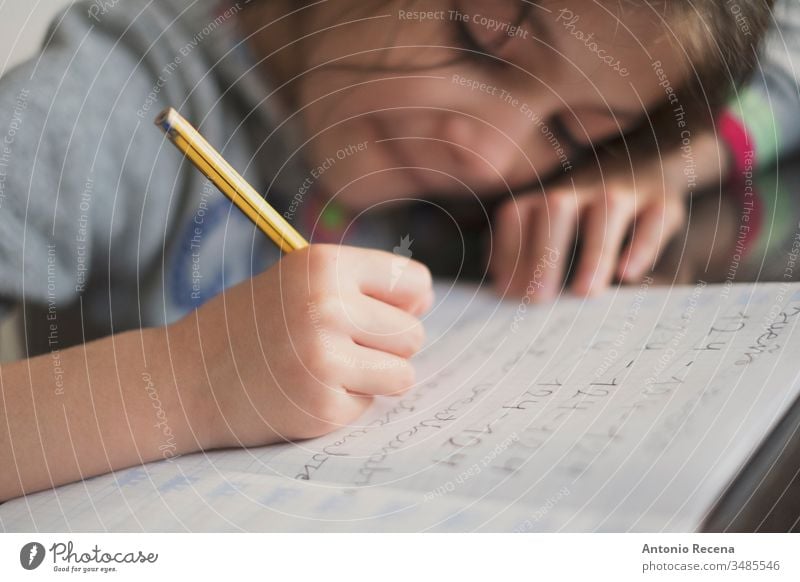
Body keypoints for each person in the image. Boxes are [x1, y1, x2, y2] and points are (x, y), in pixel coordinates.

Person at [0, 0, 775, 501]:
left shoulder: (523, 156)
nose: (490, 153)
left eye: (571, 129)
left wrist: (657, 160)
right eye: (484, 41)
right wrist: (185, 385)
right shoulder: (93, 109)